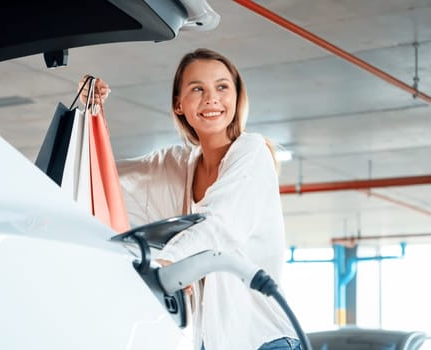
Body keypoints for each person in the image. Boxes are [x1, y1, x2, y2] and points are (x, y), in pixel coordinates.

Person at [78, 48, 300, 350]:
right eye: (198, 89)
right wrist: (89, 114)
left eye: (222, 87)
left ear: (236, 97)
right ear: (179, 104)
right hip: (213, 342)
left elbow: (219, 226)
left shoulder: (252, 152)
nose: (211, 98)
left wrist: (165, 264)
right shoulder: (178, 163)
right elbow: (101, 177)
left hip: (265, 341)